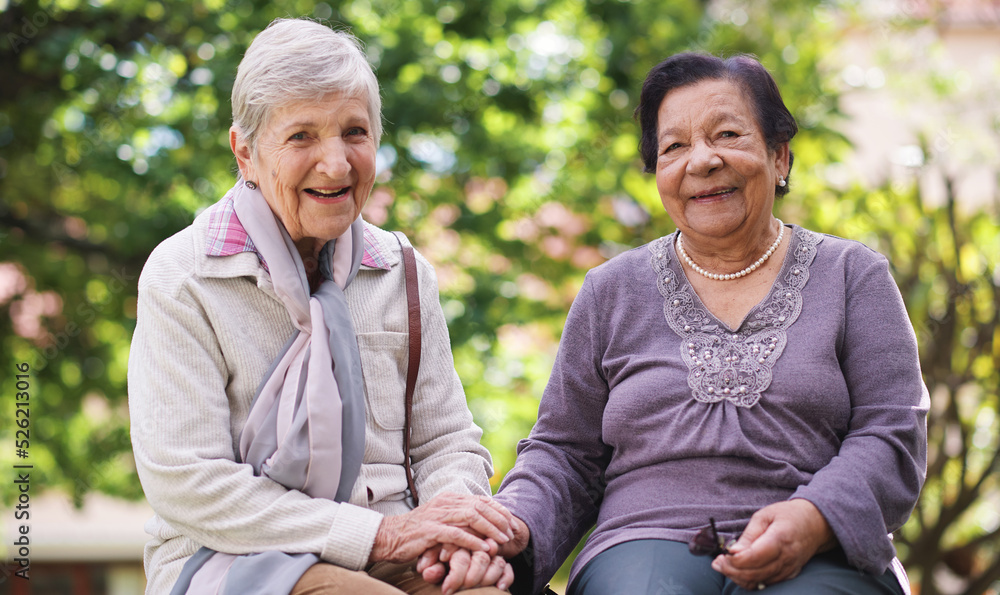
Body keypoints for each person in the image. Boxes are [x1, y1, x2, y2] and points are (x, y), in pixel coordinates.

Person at [426, 52, 928, 594]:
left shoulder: (854, 276)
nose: (703, 161)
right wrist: (511, 528)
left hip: (819, 548)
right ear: (658, 172)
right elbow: (564, 454)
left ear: (779, 156)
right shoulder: (610, 290)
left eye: (728, 134)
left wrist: (815, 516)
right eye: (674, 147)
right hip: (640, 544)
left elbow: (891, 431)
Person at [128, 18, 514, 595]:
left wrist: (456, 529)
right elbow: (188, 482)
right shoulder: (184, 277)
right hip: (233, 556)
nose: (336, 164)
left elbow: (446, 442)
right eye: (302, 136)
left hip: (402, 542)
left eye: (354, 133)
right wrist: (377, 537)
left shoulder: (402, 270)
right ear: (245, 152)